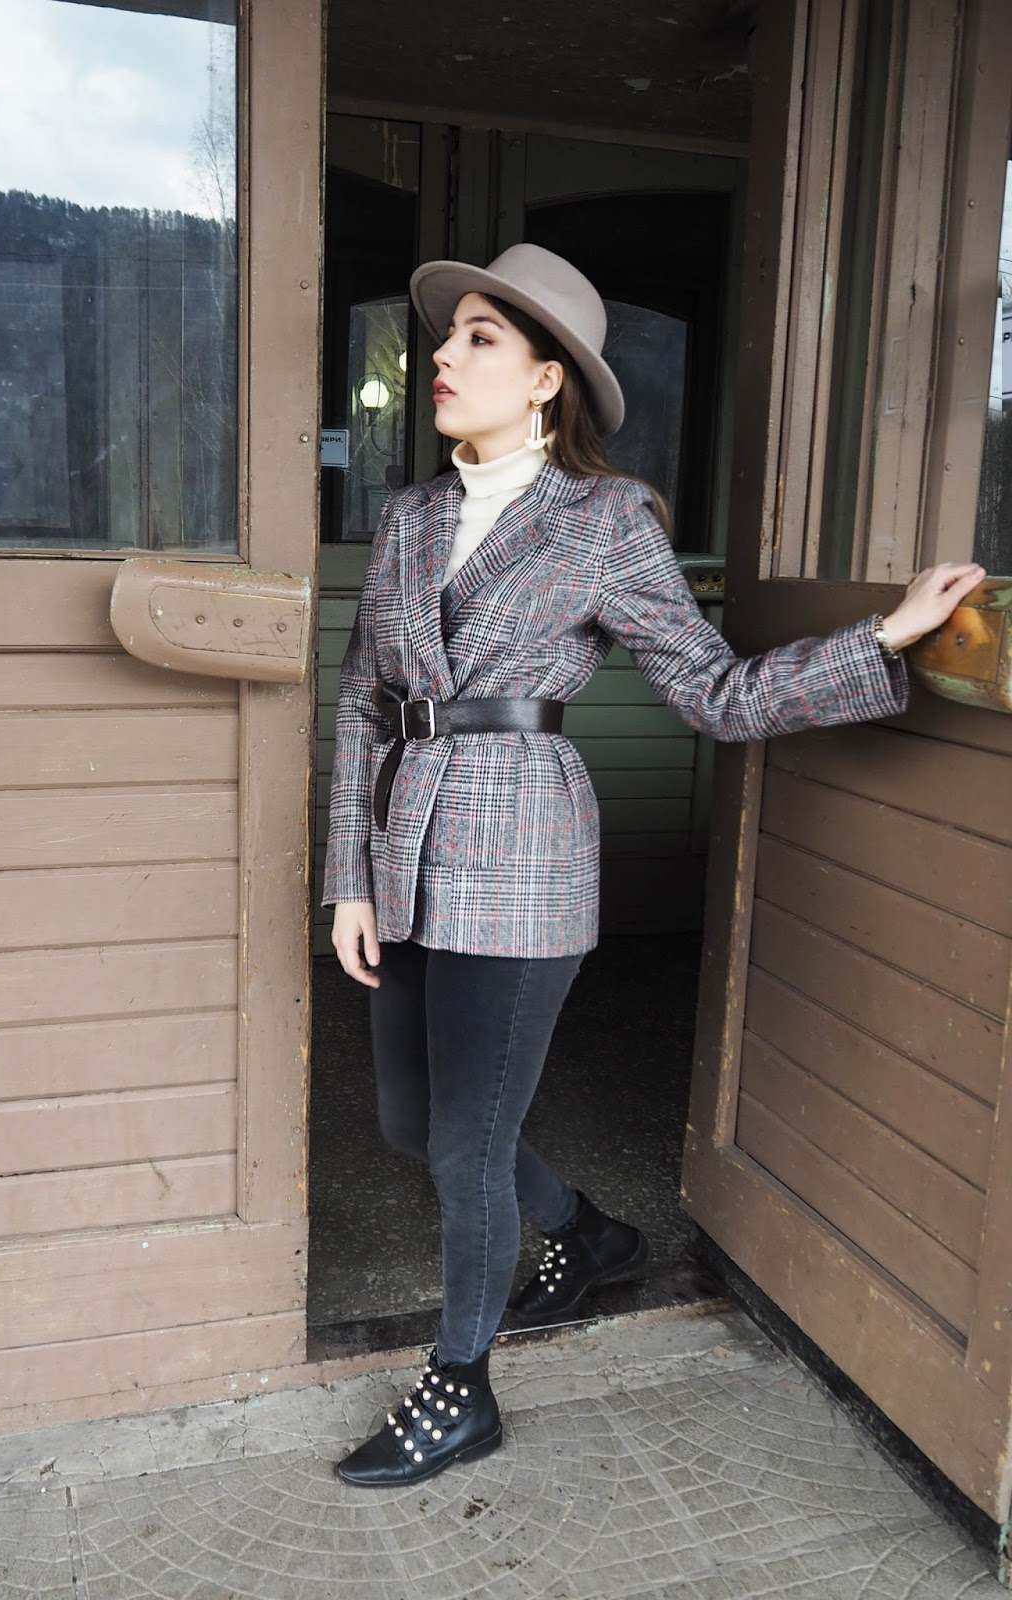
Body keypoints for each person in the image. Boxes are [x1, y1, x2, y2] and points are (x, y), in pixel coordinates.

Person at [322, 243, 984, 1489]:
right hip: (404, 849)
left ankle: (460, 1389)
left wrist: (885, 636)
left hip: (525, 856)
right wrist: (348, 877)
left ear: (547, 380)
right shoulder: (409, 516)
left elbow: (717, 694)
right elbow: (364, 697)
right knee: (417, 1123)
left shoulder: (605, 520)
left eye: (479, 338)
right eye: (448, 335)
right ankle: (588, 1234)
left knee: (465, 1147)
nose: (444, 356)